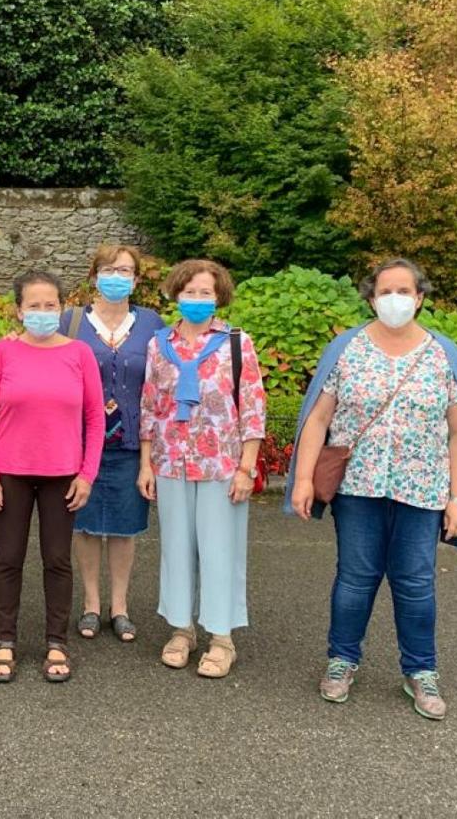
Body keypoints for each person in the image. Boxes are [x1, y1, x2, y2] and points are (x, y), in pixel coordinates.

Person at [284, 258, 457, 720]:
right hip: (358, 489)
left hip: (422, 492)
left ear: (419, 297)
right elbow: (318, 418)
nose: (394, 299)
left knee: (416, 583)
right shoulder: (347, 349)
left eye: (404, 291)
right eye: (385, 291)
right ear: (371, 297)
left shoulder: (442, 355)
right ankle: (341, 662)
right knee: (354, 579)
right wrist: (302, 479)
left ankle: (421, 671)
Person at [138, 259, 266, 679]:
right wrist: (146, 464)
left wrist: (247, 468)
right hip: (171, 462)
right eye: (189, 292)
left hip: (222, 464)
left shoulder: (236, 342)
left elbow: (252, 406)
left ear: (219, 297)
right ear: (176, 294)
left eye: (205, 293)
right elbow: (150, 406)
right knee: (175, 549)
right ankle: (181, 629)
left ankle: (221, 637)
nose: (197, 300)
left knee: (219, 550)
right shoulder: (160, 344)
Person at [0, 271, 104, 684]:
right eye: (34, 305)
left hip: (62, 474)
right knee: (8, 558)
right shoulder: (3, 352)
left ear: (62, 308)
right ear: (20, 310)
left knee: (57, 560)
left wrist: (87, 475)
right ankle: (5, 640)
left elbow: (94, 418)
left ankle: (56, 642)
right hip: (11, 473)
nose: (43, 312)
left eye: (51, 305)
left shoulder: (80, 354)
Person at [60, 245, 164, 643]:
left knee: (124, 528)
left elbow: (159, 387)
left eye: (125, 270)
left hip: (131, 443)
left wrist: (149, 460)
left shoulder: (152, 324)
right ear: (93, 276)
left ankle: (119, 607)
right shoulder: (71, 322)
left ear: (136, 279)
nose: (116, 276)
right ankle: (90, 604)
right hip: (79, 442)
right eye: (108, 269)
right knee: (84, 524)